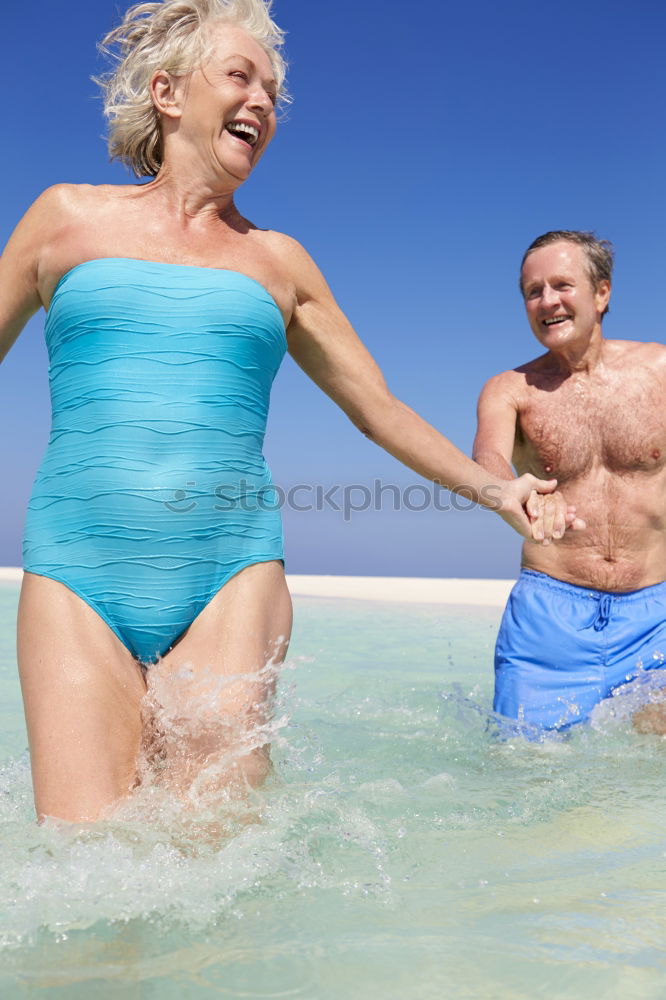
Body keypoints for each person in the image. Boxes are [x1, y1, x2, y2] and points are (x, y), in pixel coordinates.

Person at [0, 0, 567, 824]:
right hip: (77, 575)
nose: (262, 102)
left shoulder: (279, 261)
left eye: (273, 91)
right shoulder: (64, 220)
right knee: (88, 867)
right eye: (240, 76)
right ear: (167, 92)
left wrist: (497, 491)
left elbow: (377, 408)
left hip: (230, 577)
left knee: (215, 867)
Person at [473, 230, 666, 734]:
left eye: (562, 284)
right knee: (527, 772)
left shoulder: (660, 369)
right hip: (548, 621)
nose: (547, 301)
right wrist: (512, 493)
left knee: (650, 781)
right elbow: (488, 457)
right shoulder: (509, 390)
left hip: (656, 614)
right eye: (532, 291)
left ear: (602, 293)